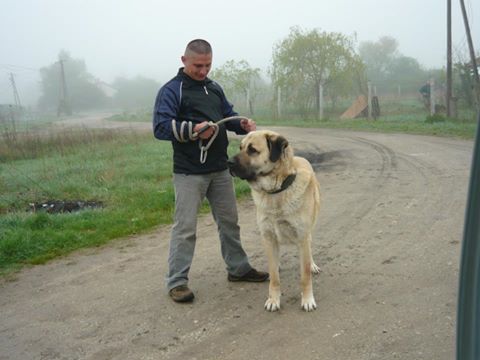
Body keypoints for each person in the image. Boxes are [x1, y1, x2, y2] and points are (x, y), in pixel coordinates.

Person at [153, 39, 268, 303]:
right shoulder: (172, 90)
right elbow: (160, 127)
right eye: (198, 66)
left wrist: (242, 123)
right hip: (188, 174)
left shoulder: (214, 88)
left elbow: (227, 113)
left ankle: (238, 270)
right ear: (184, 60)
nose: (203, 71)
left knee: (229, 223)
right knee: (185, 228)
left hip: (219, 170)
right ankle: (177, 282)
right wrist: (192, 131)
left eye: (207, 65)